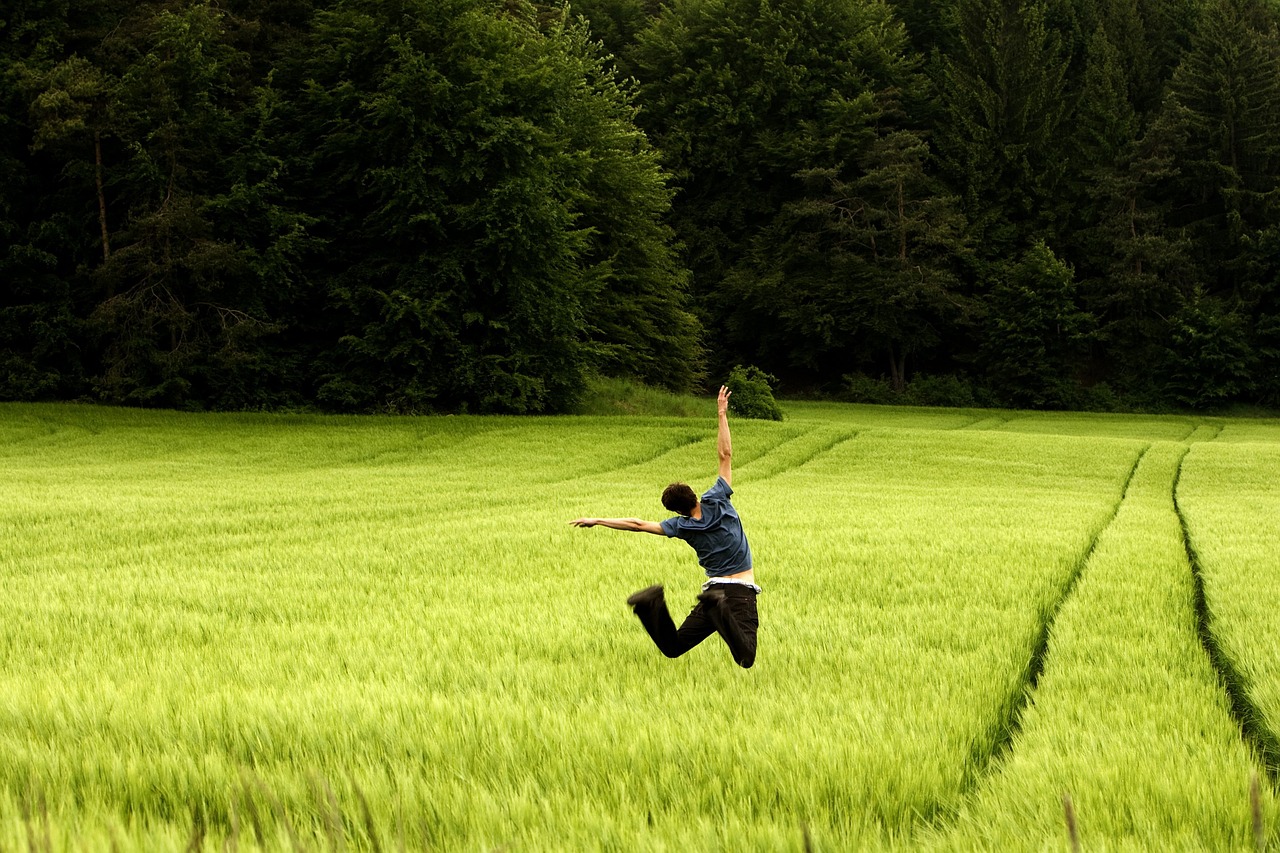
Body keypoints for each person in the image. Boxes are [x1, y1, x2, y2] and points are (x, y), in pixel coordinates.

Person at [569, 385, 759, 668]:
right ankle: (717, 607)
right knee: (746, 657)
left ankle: (650, 605)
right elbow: (725, 455)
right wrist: (721, 413)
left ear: (677, 510)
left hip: (713, 589)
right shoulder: (718, 497)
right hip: (739, 594)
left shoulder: (681, 526)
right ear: (694, 495)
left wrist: (597, 520)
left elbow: (636, 524)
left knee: (674, 647)